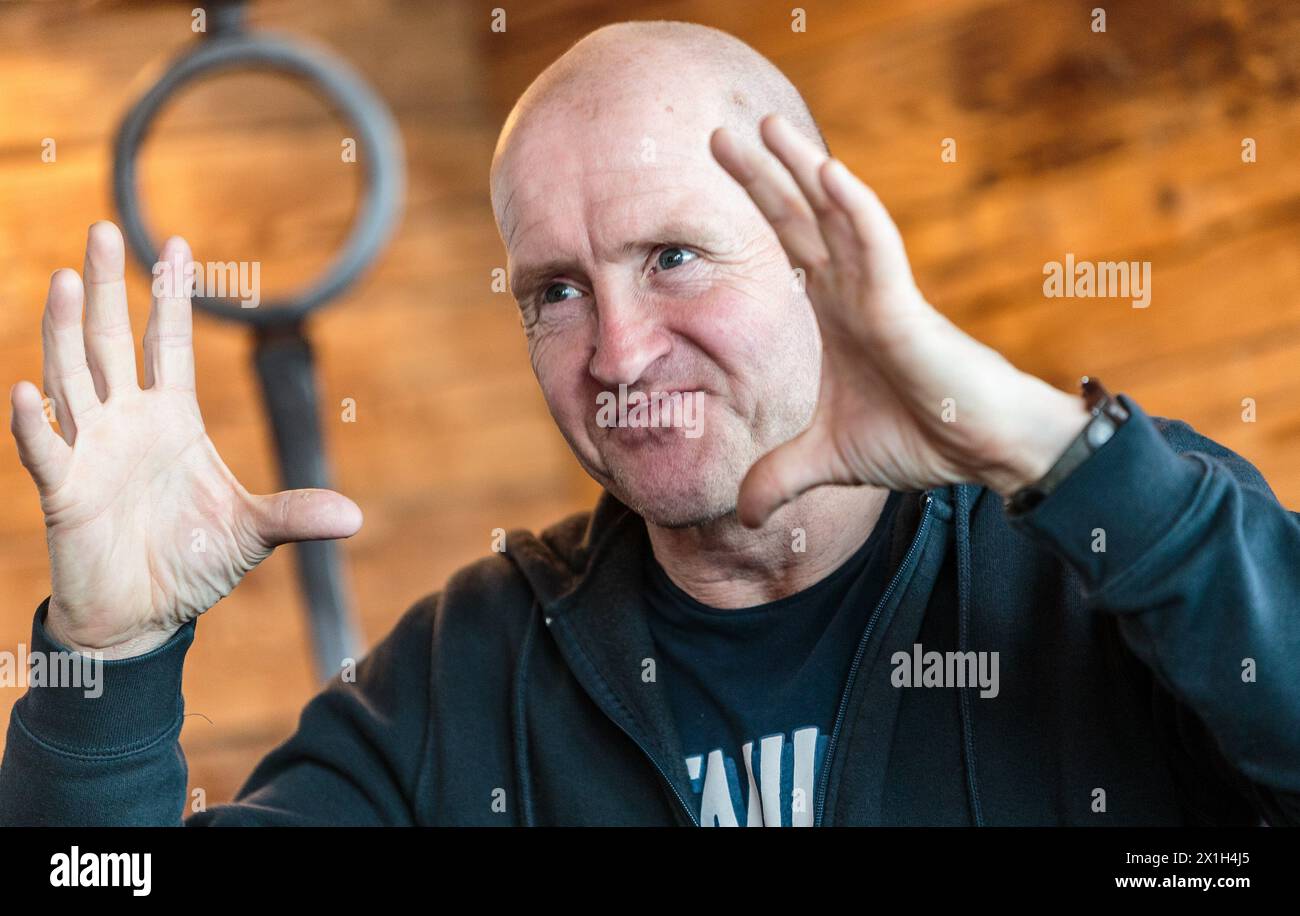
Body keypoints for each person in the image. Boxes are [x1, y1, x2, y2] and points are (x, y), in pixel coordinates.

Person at [2, 20, 1297, 827]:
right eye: (556, 291)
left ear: (817, 250)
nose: (618, 352)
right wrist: (104, 662)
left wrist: (1049, 451)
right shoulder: (464, 677)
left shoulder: (1111, 560)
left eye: (673, 256)